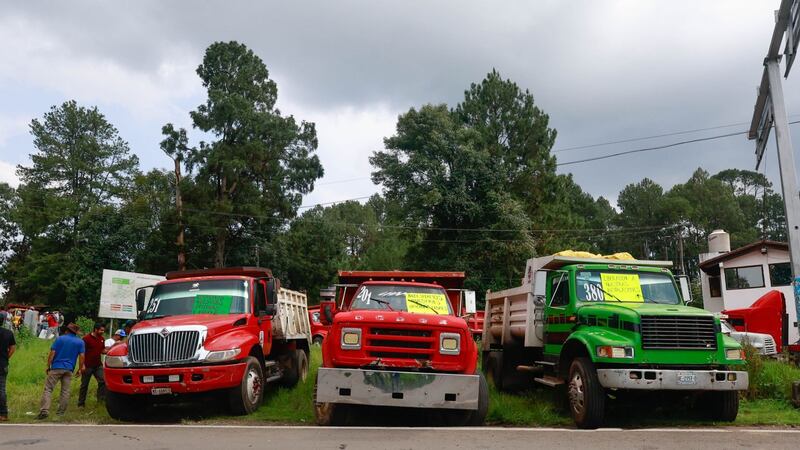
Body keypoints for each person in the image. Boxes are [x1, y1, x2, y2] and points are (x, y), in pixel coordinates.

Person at [37, 323, 84, 419]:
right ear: (75, 332)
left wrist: (48, 366)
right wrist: (80, 368)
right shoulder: (80, 342)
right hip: (69, 369)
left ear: (67, 330)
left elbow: (52, 352)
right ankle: (61, 412)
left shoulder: (60, 339)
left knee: (48, 389)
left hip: (57, 367)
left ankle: (44, 410)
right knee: (65, 391)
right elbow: (82, 356)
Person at [78, 323, 106, 407]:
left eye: (103, 330)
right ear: (95, 329)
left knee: (103, 381)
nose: (102, 332)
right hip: (87, 365)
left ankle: (100, 401)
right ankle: (81, 403)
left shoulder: (102, 339)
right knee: (84, 384)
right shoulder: (86, 339)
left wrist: (112, 349)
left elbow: (102, 350)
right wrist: (82, 365)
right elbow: (81, 353)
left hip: (98, 365)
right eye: (101, 330)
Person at [0, 314, 16, 421]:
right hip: (2, 364)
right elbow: (13, 348)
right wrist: (6, 357)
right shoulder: (8, 333)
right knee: (1, 389)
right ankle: (3, 414)